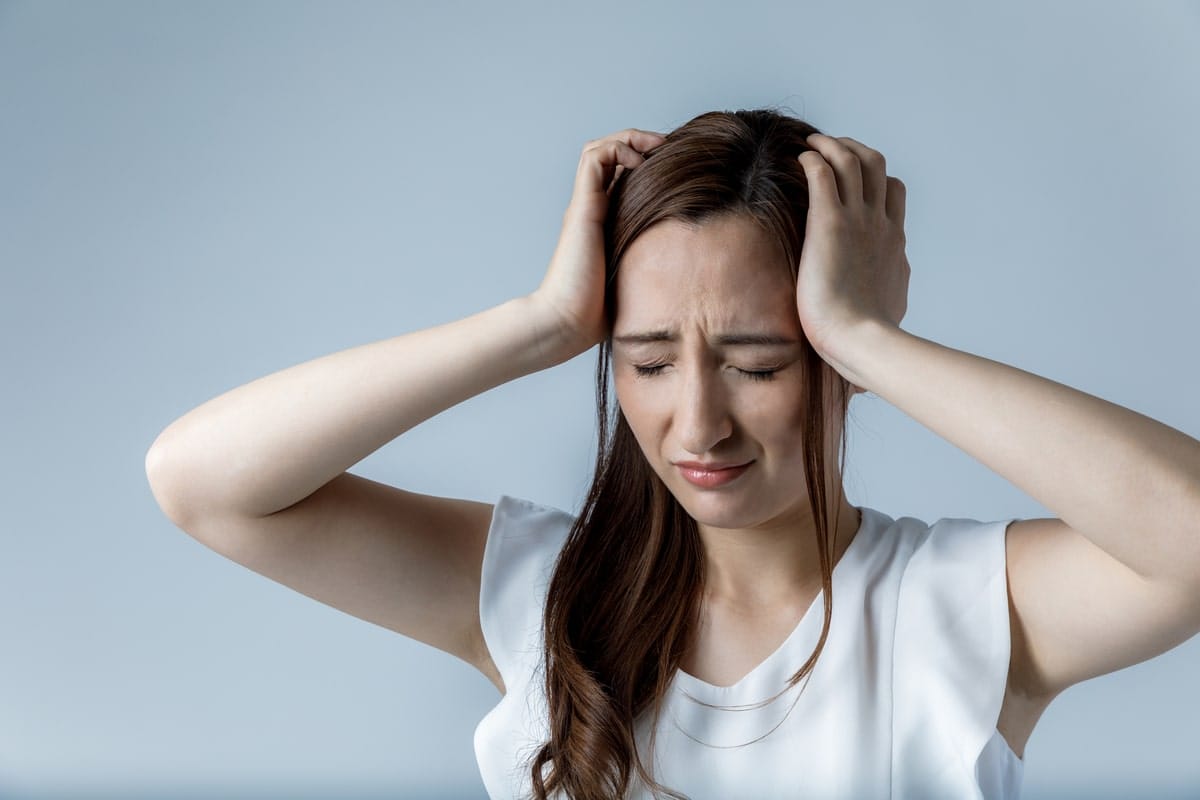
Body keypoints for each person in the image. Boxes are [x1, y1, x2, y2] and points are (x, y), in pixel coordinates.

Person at [145, 110, 1200, 800]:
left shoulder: (961, 603)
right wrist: (542, 322)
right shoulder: (539, 592)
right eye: (647, 361)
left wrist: (877, 341)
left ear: (827, 357)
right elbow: (203, 482)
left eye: (758, 360)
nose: (698, 426)